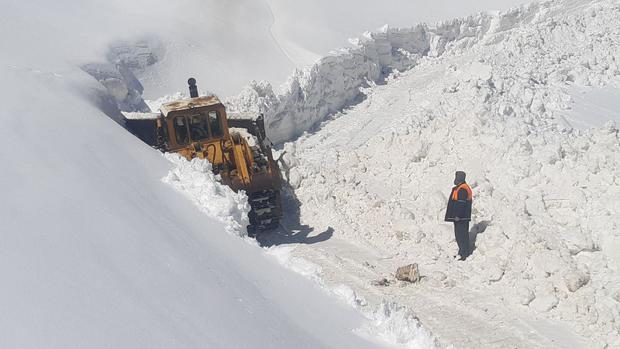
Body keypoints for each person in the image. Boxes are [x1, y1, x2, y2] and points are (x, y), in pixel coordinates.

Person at [444, 171, 473, 260]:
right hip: (461, 218)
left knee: (462, 236)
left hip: (461, 218)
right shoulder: (460, 187)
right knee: (460, 235)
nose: (455, 179)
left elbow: (461, 204)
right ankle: (462, 252)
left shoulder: (462, 189)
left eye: (457, 177)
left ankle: (464, 254)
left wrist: (457, 216)